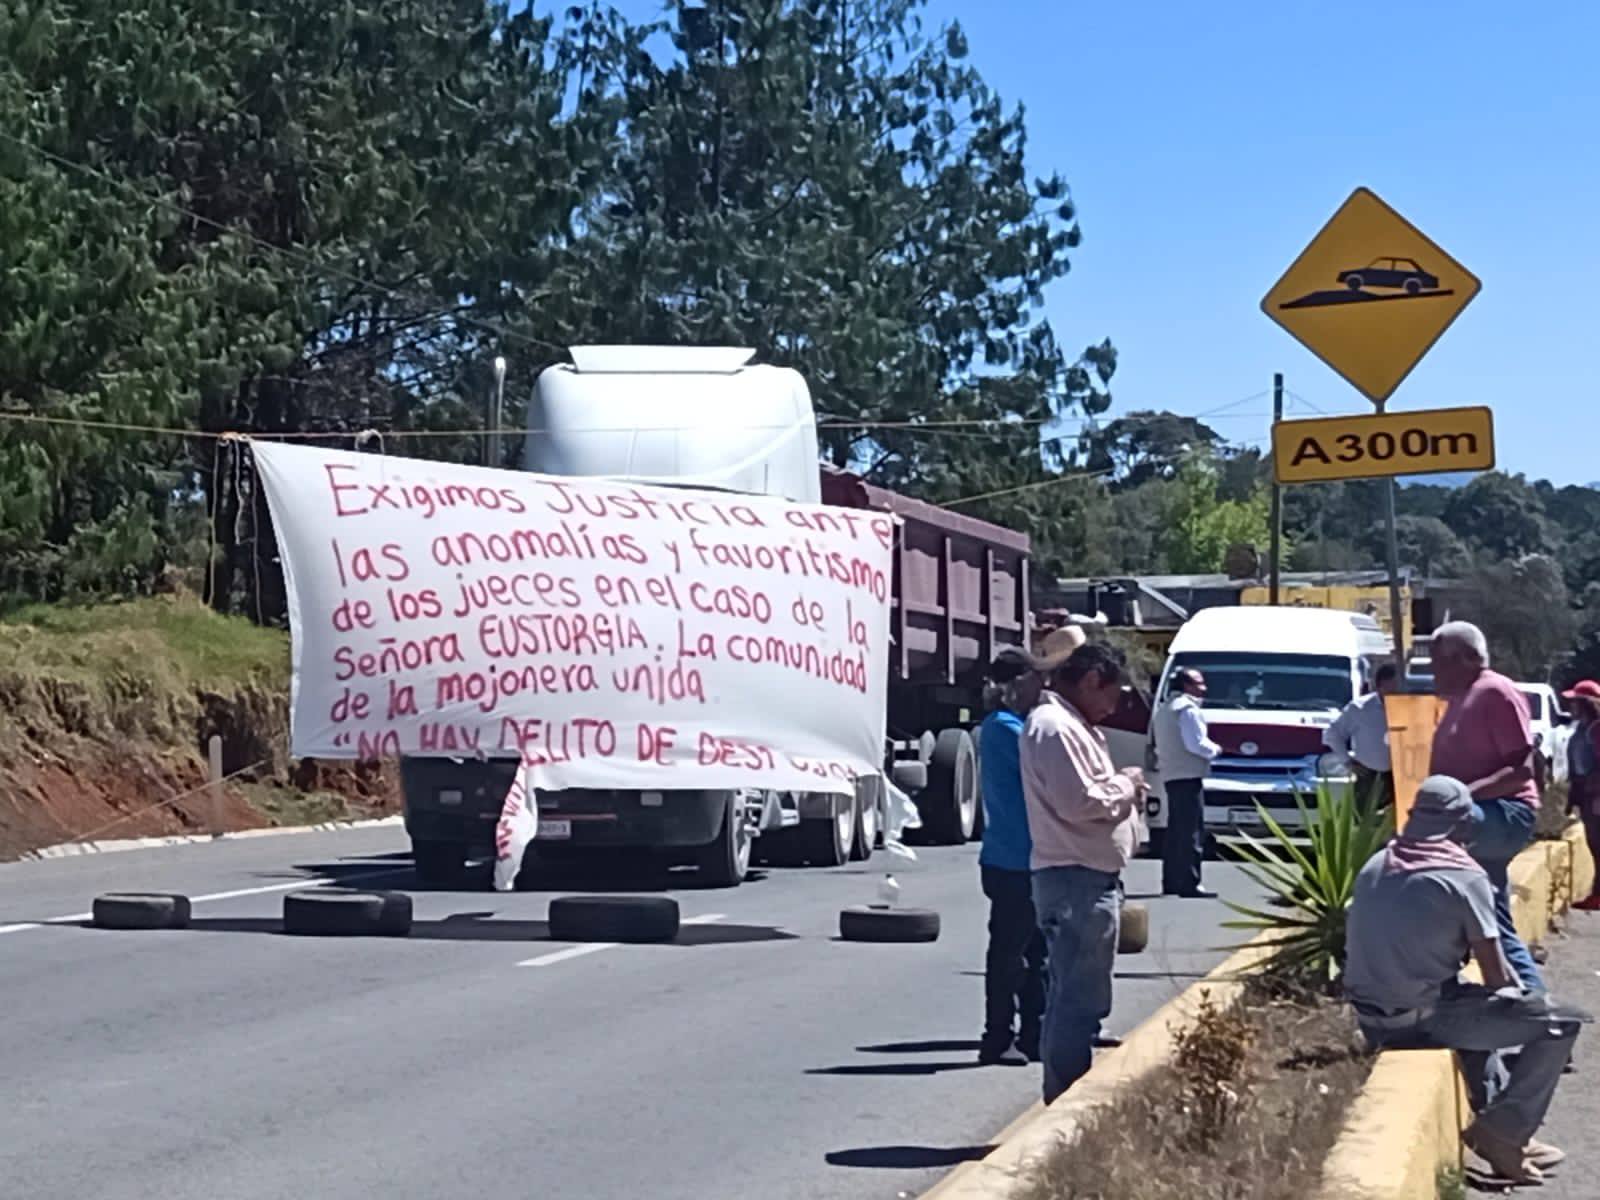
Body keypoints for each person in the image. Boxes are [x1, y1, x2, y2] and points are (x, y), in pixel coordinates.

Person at [1345, 775, 1582, 1185]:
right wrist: (1522, 994)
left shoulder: (1378, 863)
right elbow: (1495, 976)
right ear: (1462, 823)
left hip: (1371, 1019)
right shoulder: (1464, 876)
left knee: (1472, 1021)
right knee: (1561, 1022)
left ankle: (1500, 1133)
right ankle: (1505, 1132)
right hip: (1421, 1018)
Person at [1019, 641, 1146, 1104]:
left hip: (1086, 877)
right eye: (1111, 695)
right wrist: (1126, 784)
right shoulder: (1054, 728)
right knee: (1076, 1001)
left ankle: (1066, 1098)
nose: (1113, 708)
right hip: (1075, 879)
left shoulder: (1072, 726)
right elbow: (1080, 802)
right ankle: (1064, 1105)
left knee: (1080, 998)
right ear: (1092, 680)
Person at [1428, 621, 1544, 993]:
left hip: (1502, 813)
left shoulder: (1495, 691)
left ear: (1468, 659)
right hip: (1477, 814)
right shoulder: (1462, 699)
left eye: (1439, 662)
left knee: (1419, 860)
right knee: (1490, 922)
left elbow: (1520, 770)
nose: (1433, 671)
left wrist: (1460, 798)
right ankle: (1537, 1014)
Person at [975, 642, 1054, 1064]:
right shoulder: (1006, 728)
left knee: (1036, 952)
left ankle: (1033, 1031)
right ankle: (998, 1034)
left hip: (1027, 856)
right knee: (1011, 954)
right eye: (1034, 678)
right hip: (1013, 859)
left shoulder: (1007, 725)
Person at [1152, 667, 1219, 898]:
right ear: (1187, 685)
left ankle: (1171, 881)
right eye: (1199, 683)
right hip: (1188, 775)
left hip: (1171, 774)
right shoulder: (1188, 710)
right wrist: (1217, 750)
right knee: (1191, 831)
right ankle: (1190, 882)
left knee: (1175, 831)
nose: (1204, 688)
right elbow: (1196, 744)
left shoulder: (1164, 710)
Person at [1323, 662, 1400, 808]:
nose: (1395, 691)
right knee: (1364, 823)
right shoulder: (1360, 708)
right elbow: (1332, 734)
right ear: (1380, 685)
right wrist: (1347, 761)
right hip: (1368, 777)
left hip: (1403, 778)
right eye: (1391, 686)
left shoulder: (1410, 707)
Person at [1563, 680, 1600, 911]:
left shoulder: (1596, 729)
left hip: (1596, 795)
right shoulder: (1581, 728)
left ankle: (1598, 895)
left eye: (1574, 701)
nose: (1570, 706)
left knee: (1598, 845)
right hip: (1587, 794)